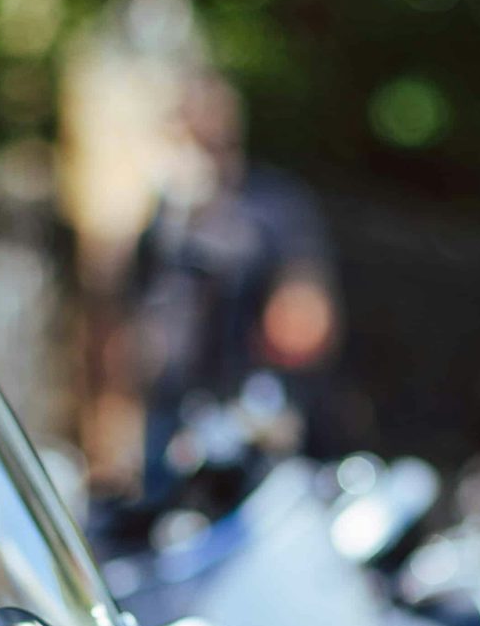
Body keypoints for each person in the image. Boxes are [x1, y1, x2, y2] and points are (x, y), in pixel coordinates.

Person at [125, 72, 338, 493]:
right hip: (171, 410)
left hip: (247, 414)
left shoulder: (272, 207)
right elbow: (134, 307)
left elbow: (307, 322)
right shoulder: (166, 217)